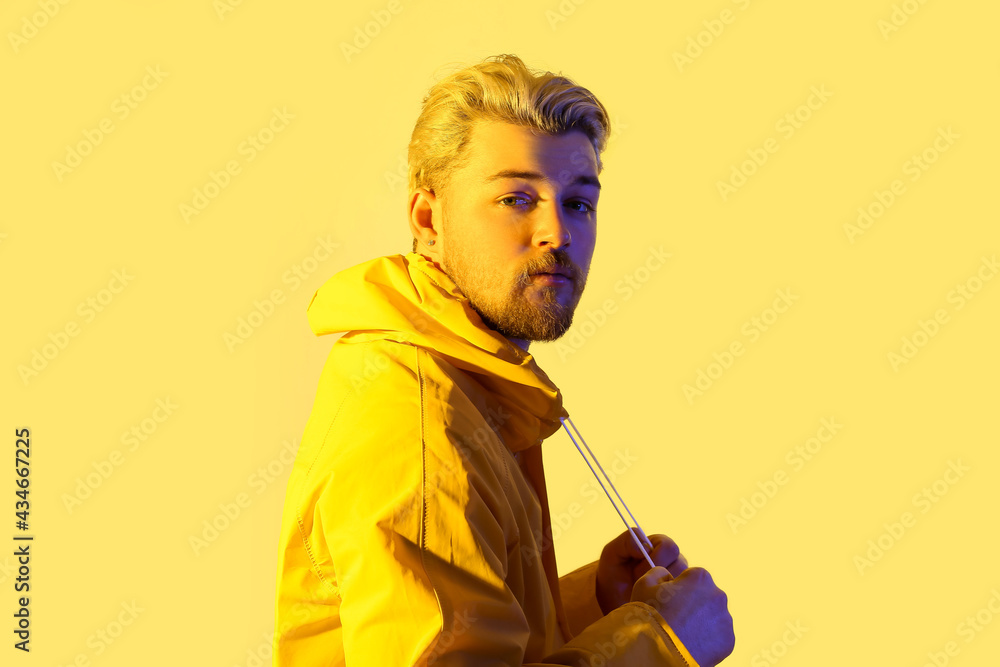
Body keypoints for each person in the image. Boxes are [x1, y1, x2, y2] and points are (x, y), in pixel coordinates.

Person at [273, 54, 735, 666]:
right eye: (517, 198)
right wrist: (661, 644)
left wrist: (596, 605)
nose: (557, 233)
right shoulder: (414, 429)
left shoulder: (463, 381)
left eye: (578, 203)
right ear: (428, 219)